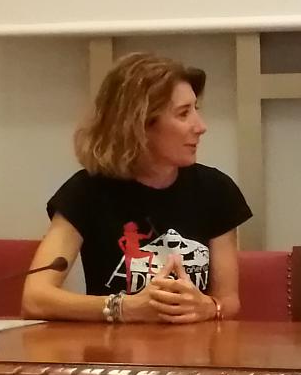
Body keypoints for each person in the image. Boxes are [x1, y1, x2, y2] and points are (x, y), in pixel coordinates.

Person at [23, 53, 253, 325]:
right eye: (183, 113)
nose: (201, 127)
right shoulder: (85, 191)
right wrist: (124, 307)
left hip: (197, 348)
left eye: (196, 110)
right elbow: (35, 299)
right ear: (139, 125)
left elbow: (229, 301)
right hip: (111, 349)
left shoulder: (215, 190)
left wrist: (208, 307)